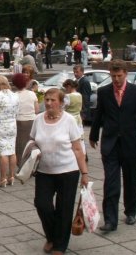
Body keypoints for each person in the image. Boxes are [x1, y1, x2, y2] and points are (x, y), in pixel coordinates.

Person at [90, 59, 136, 232]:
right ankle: (110, 220)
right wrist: (93, 134)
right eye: (113, 76)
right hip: (110, 143)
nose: (116, 79)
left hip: (130, 143)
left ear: (126, 74)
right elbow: (98, 115)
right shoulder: (104, 92)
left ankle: (131, 210)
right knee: (111, 182)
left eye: (119, 76)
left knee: (131, 180)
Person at [30, 88, 88, 255]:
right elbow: (32, 140)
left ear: (61, 103)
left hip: (67, 171)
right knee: (42, 204)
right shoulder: (38, 119)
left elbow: (77, 148)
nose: (48, 103)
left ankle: (59, 246)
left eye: (52, 100)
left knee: (64, 209)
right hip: (44, 171)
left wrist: (84, 173)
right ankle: (51, 236)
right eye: (46, 99)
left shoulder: (69, 120)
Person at [12, 73, 39, 167]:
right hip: (31, 120)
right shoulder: (32, 94)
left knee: (20, 144)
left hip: (19, 120)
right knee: (31, 143)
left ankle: (21, 164)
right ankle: (32, 164)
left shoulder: (14, 96)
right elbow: (37, 110)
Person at [62, 79, 86, 153]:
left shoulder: (68, 96)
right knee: (79, 137)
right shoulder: (79, 95)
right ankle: (83, 152)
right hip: (78, 118)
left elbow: (62, 107)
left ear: (69, 86)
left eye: (66, 88)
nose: (66, 90)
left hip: (69, 119)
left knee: (71, 137)